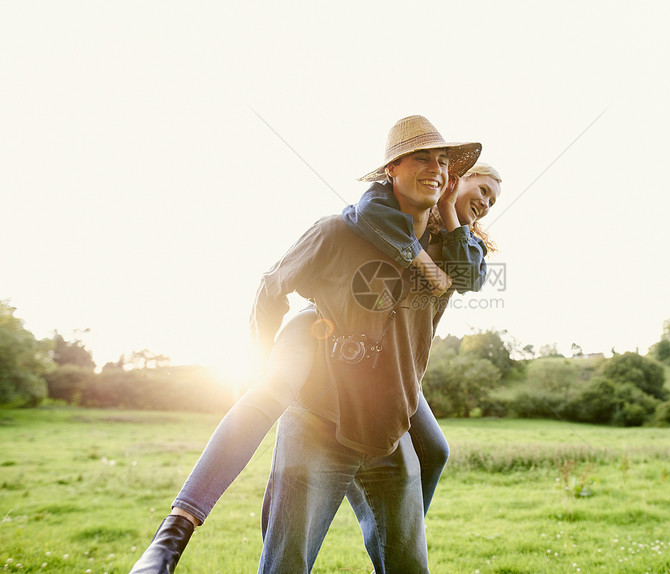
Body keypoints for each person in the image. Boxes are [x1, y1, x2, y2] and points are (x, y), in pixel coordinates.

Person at [127, 116, 500, 573]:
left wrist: (451, 213)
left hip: (389, 431)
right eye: (421, 157)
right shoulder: (338, 233)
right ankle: (172, 535)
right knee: (286, 565)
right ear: (391, 169)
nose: (436, 168)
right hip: (318, 426)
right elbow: (271, 287)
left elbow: (470, 276)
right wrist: (263, 363)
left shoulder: (447, 254)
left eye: (443, 162)